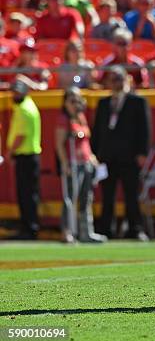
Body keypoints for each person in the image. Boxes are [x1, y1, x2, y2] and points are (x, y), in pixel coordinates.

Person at [91, 66, 152, 241]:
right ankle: (105, 229)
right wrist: (95, 154)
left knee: (131, 195)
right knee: (107, 195)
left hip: (129, 156)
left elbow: (144, 129)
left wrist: (142, 152)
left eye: (119, 78)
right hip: (108, 156)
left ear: (127, 80)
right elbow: (97, 131)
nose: (116, 82)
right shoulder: (104, 103)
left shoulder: (137, 102)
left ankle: (135, 228)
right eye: (113, 79)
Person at [55, 87, 107, 244]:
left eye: (77, 100)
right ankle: (67, 231)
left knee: (86, 198)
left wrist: (91, 157)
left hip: (86, 162)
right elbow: (59, 144)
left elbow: (86, 141)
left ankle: (86, 232)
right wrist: (64, 163)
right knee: (70, 198)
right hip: (73, 163)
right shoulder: (64, 119)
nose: (75, 103)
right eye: (72, 100)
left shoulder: (81, 117)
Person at [6, 79, 42, 240]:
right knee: (28, 194)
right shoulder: (26, 106)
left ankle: (29, 228)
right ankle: (28, 226)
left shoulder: (24, 110)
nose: (15, 95)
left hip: (26, 156)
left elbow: (21, 136)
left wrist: (10, 152)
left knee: (26, 194)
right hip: (28, 156)